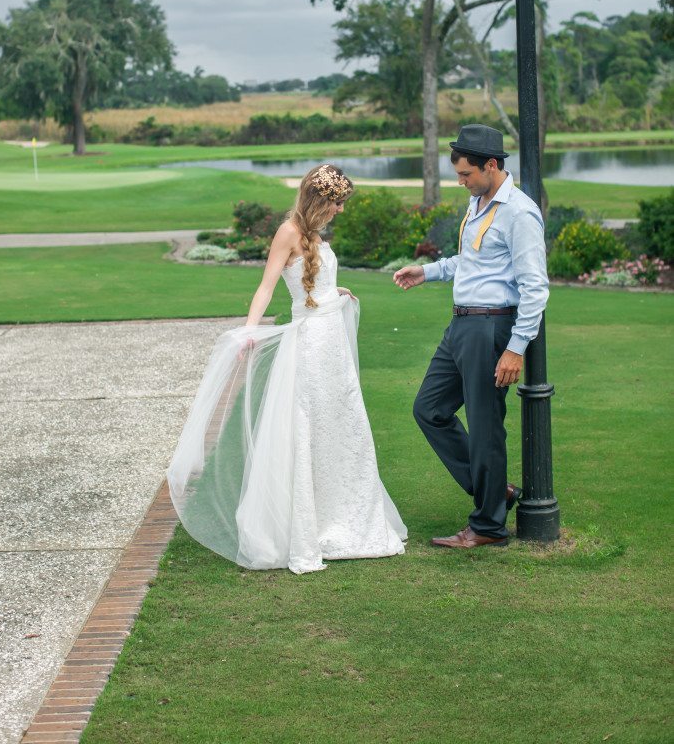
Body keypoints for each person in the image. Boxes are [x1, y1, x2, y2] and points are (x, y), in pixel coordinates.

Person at [167, 163, 406, 574]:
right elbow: (267, 285)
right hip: (311, 344)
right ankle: (308, 526)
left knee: (341, 422)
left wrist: (335, 293)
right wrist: (249, 330)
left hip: (332, 338)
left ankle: (348, 517)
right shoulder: (289, 233)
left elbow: (317, 284)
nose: (340, 211)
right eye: (336, 203)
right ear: (318, 199)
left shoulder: (315, 235)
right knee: (311, 424)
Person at [393, 124, 549, 549]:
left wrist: (516, 348)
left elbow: (535, 287)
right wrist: (427, 271)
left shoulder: (519, 212)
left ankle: (488, 527)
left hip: (490, 328)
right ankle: (495, 491)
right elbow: (471, 261)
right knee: (429, 409)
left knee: (484, 428)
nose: (461, 183)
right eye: (459, 175)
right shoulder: (479, 203)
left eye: (466, 175)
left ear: (491, 165)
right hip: (460, 325)